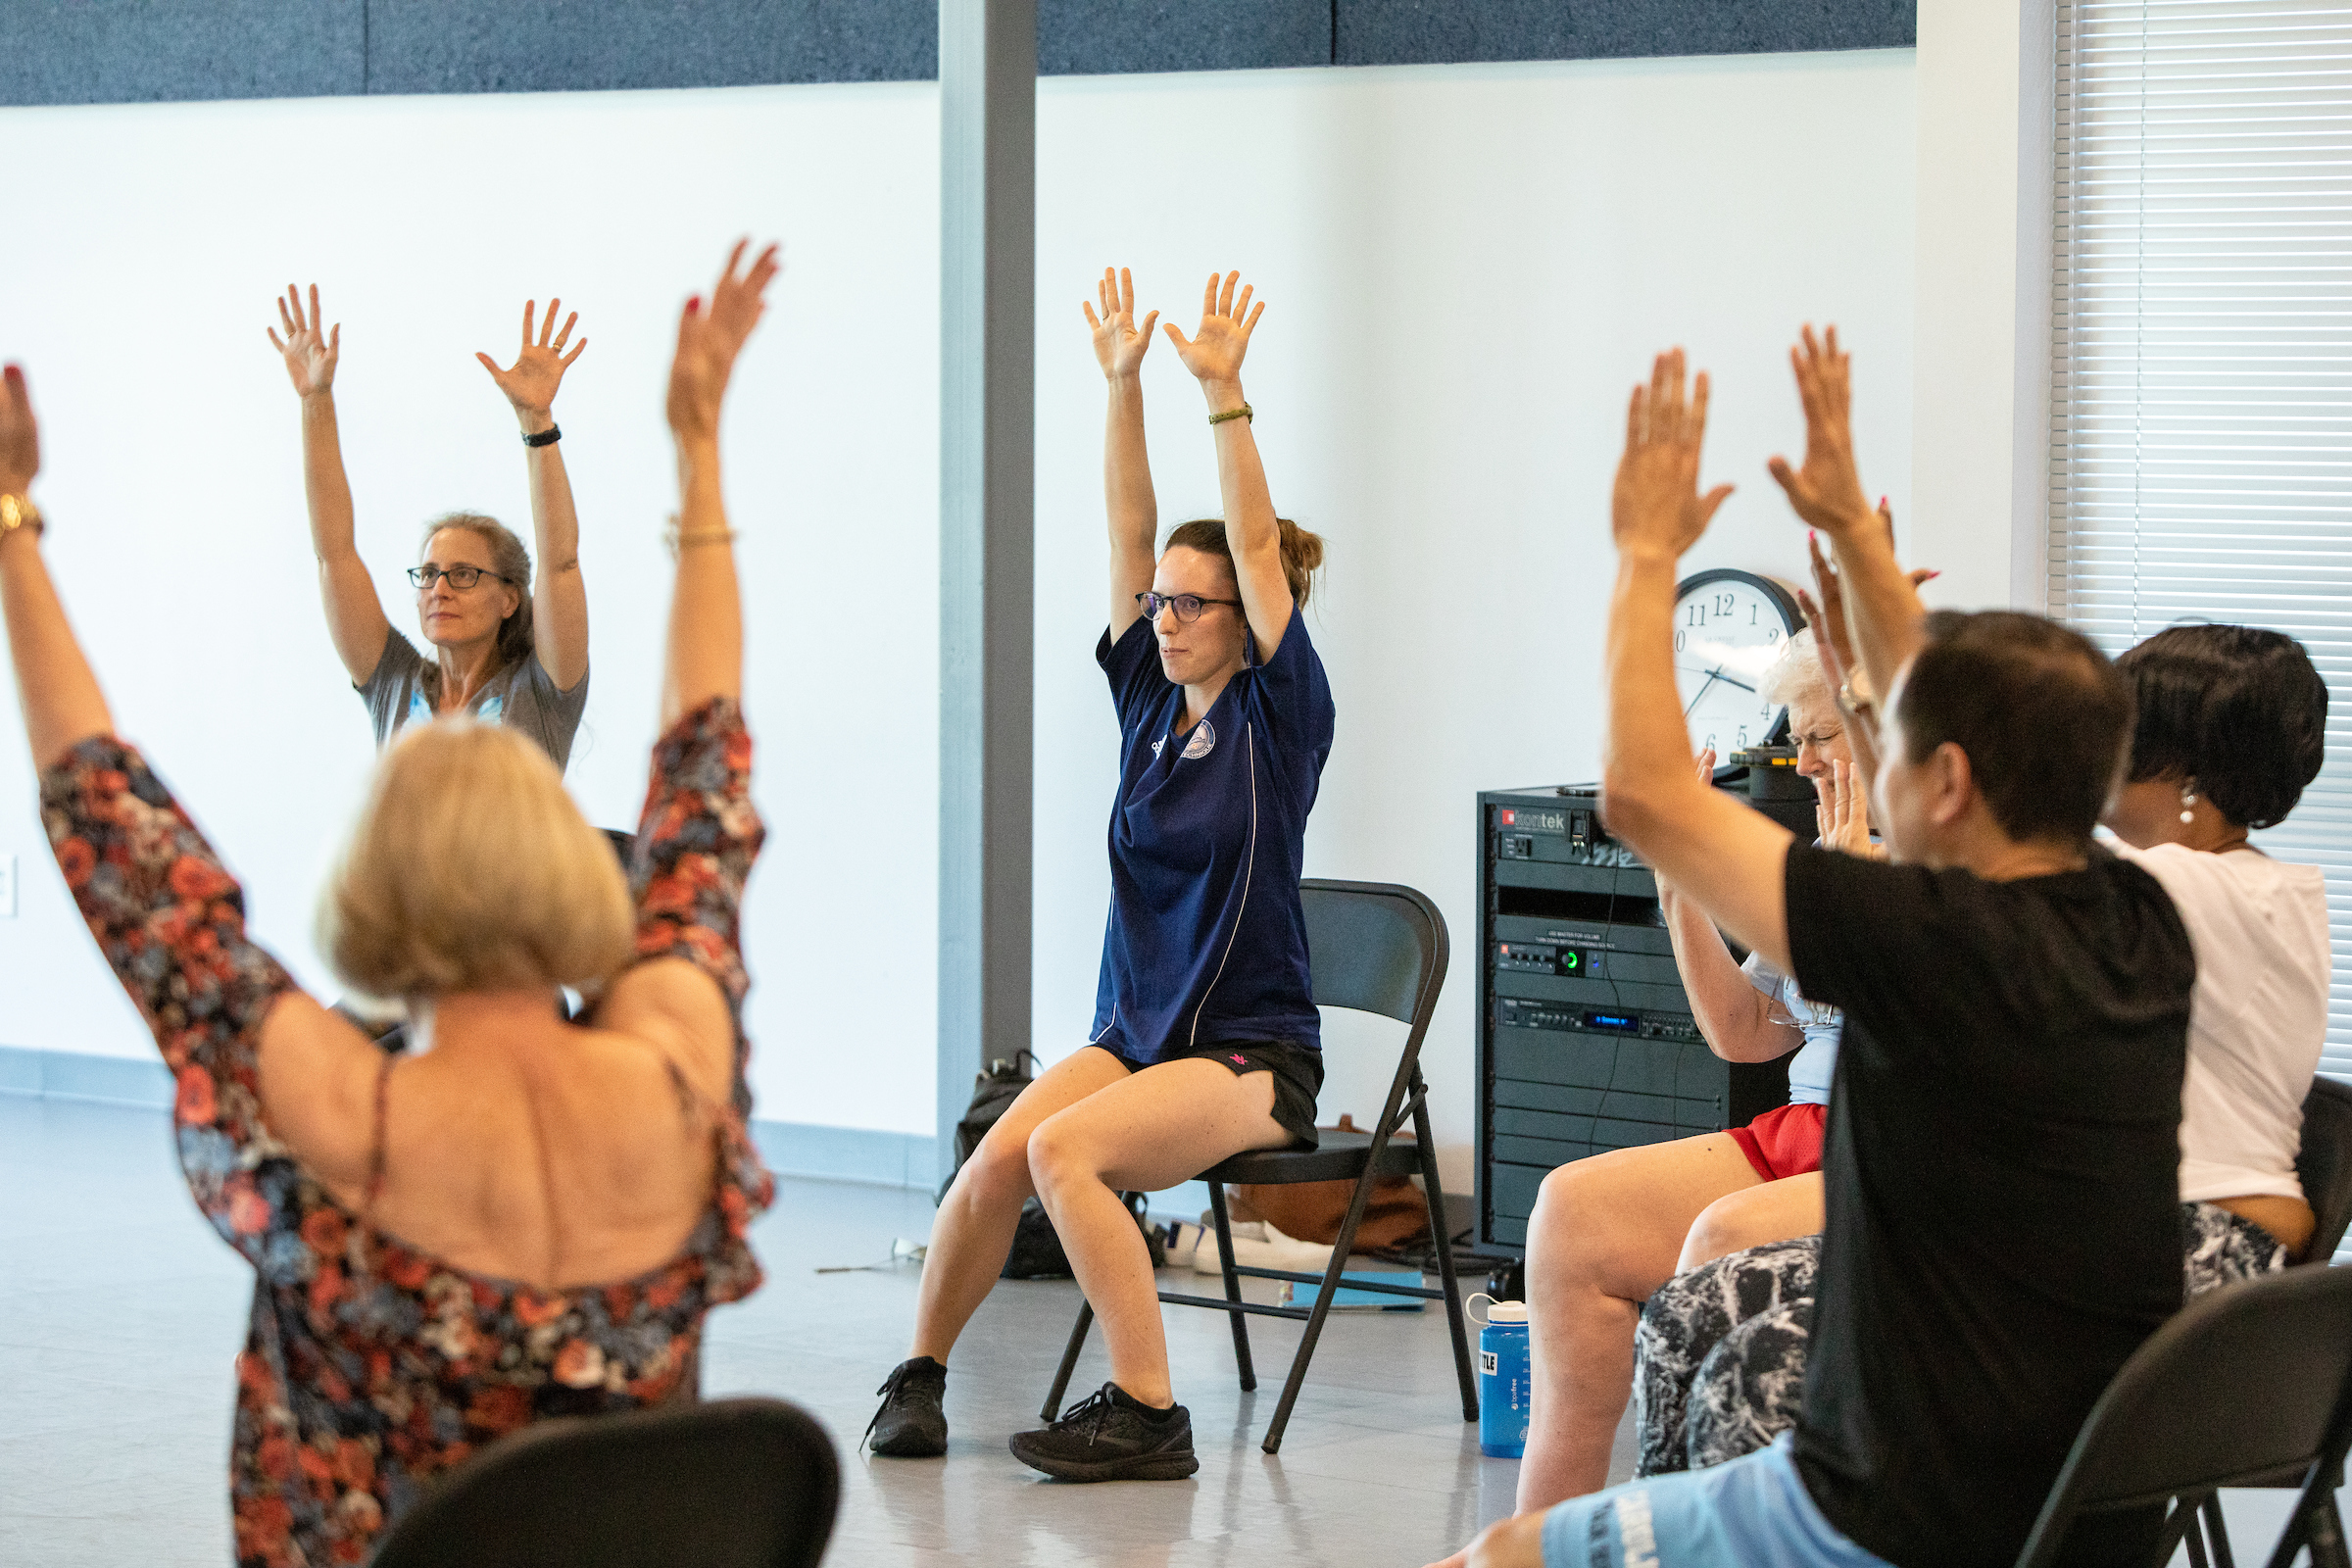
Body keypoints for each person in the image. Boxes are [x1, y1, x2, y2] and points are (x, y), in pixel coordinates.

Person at [0, 241, 778, 1568]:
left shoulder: (348, 1128)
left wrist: (12, 523)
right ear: (577, 870)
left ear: (370, 889)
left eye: (460, 574)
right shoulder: (679, 1088)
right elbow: (706, 777)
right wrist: (701, 460)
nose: (435, 589)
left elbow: (129, 857)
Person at [1463, 330, 2193, 1568]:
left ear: (1948, 784)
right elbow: (1951, 718)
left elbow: (1642, 793)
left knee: (1496, 1563)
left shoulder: (1922, 940)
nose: (1859, 750)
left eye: (1886, 743)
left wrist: (1646, 556)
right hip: (2083, 1506)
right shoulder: (2141, 924)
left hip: (1882, 1514)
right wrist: (1855, 537)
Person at [1631, 612, 2332, 1478]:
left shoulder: (2187, 891)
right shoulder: (2205, 884)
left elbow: (1983, 824)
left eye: (2118, 731)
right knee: (1687, 1314)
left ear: (2179, 765)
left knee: (1759, 1367)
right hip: (2092, 1237)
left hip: (2175, 1258)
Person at [864, 268, 1334, 1483]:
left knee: (1068, 1155)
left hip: (1247, 1054)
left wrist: (1224, 399)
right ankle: (919, 1375)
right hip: (1135, 1033)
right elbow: (1131, 532)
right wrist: (1121, 384)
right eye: (1160, 602)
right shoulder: (1147, 702)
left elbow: (1253, 549)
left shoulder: (1282, 716)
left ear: (1246, 616)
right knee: (997, 1163)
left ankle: (1149, 1409)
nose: (1166, 617)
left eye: (1195, 602)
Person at [1494, 626, 1868, 1517]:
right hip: (1800, 1132)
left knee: (1721, 1238)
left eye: (1823, 736)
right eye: (1798, 736)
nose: (1804, 759)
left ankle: (1675, 1531)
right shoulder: (1823, 853)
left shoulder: (1955, 864)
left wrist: (1863, 908)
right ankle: (1541, 1537)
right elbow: (1745, 1033)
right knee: (1571, 1214)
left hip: (1891, 1149)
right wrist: (1679, 889)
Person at [269, 282, 593, 767]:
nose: (439, 589)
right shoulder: (394, 684)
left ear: (509, 598)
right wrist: (316, 400)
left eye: (463, 574)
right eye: (429, 574)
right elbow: (334, 553)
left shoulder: (541, 692)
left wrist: (536, 419)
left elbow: (561, 563)